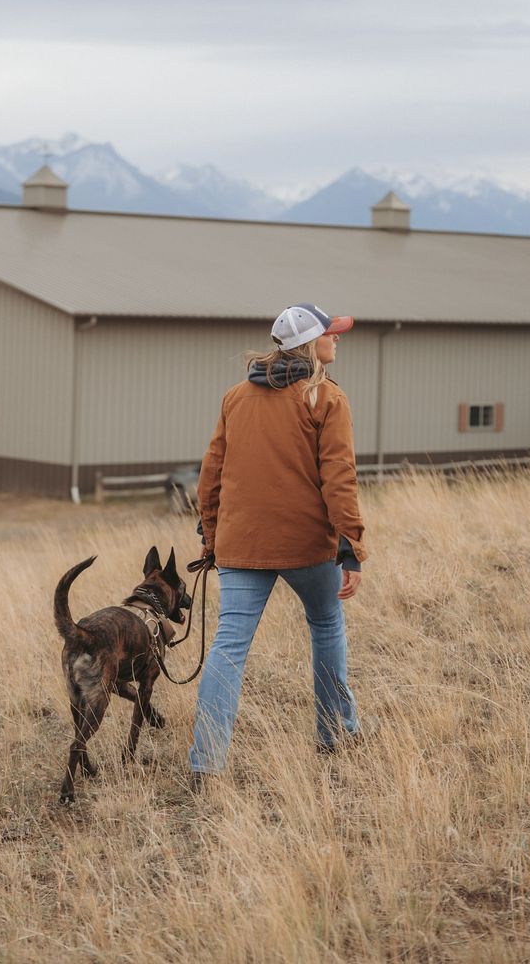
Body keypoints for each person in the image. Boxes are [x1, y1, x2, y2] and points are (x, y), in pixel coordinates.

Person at [189, 302, 369, 784]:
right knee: (327, 624)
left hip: (241, 543)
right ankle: (335, 736)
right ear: (311, 343)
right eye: (332, 332)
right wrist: (350, 545)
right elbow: (339, 478)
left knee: (228, 647)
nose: (338, 338)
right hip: (307, 545)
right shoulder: (327, 398)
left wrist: (210, 535)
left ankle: (206, 763)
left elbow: (212, 474)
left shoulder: (235, 397)